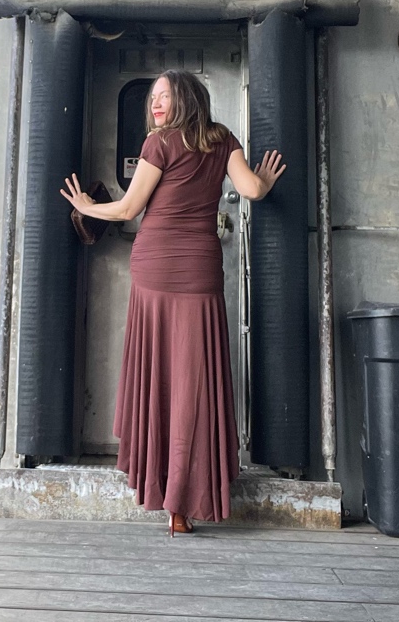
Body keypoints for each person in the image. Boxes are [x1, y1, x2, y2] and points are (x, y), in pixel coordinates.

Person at [60, 69, 285, 535]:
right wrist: (263, 178)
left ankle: (166, 493)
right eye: (153, 97)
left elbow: (127, 209)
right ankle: (183, 503)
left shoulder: (158, 143)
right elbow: (252, 191)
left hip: (156, 266)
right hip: (200, 269)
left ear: (186, 99)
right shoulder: (222, 139)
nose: (156, 104)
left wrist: (85, 207)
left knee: (157, 374)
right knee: (195, 379)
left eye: (165, 96)